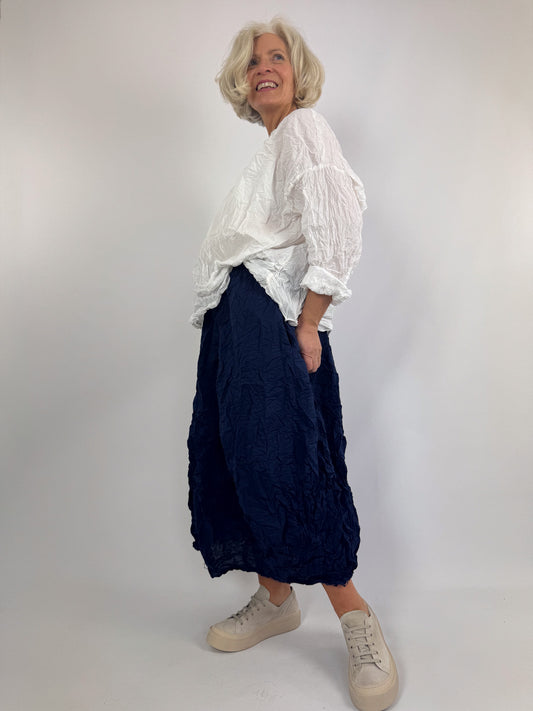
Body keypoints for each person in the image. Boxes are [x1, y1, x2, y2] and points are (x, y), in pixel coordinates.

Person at [187, 17, 399, 711]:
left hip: (270, 321)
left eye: (276, 57)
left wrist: (308, 323)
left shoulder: (305, 129)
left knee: (288, 461)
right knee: (241, 458)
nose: (263, 69)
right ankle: (276, 598)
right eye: (253, 64)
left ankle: (355, 617)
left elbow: (336, 220)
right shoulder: (272, 149)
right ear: (241, 82)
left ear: (297, 71)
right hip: (238, 323)